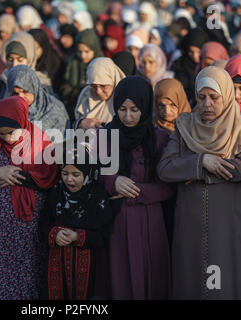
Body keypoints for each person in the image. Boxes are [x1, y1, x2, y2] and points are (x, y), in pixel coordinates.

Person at [157, 66, 241, 299]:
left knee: (231, 278)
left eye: (214, 98)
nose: (207, 104)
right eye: (201, 97)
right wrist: (201, 160)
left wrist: (200, 171)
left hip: (232, 221)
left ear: (226, 96)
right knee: (193, 280)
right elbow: (165, 168)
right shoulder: (185, 126)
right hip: (192, 225)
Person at [103, 75, 173, 299]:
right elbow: (94, 174)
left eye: (134, 109)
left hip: (150, 220)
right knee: (120, 278)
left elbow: (169, 186)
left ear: (145, 106)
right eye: (122, 109)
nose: (128, 116)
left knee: (150, 278)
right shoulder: (105, 136)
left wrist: (137, 191)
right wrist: (113, 181)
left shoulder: (160, 139)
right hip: (116, 221)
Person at [0, 96, 59, 300]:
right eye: (0, 133)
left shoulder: (41, 143)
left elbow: (49, 178)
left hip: (28, 229)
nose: (6, 138)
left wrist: (14, 174)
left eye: (10, 133)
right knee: (0, 274)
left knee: (28, 274)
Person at [39, 140, 113, 300]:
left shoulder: (97, 197)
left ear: (87, 174)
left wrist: (78, 237)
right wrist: (54, 234)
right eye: (65, 173)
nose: (69, 180)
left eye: (76, 174)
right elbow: (43, 224)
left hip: (89, 270)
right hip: (56, 267)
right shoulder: (56, 192)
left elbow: (104, 235)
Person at [0, 31, 52, 109]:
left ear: (30, 59)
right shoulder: (1, 82)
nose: (14, 65)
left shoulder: (41, 85)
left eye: (20, 60)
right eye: (10, 60)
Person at [7, 64, 69, 142]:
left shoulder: (55, 109)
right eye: (15, 93)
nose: (20, 97)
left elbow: (61, 144)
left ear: (34, 89)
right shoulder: (7, 110)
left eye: (25, 91)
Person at [60, 29, 103, 121]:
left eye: (87, 51)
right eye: (79, 51)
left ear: (94, 49)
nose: (83, 55)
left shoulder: (101, 64)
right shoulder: (72, 62)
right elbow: (64, 87)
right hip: (73, 107)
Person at [74, 57, 126, 129]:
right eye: (94, 86)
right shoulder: (86, 94)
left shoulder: (124, 99)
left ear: (113, 81)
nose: (98, 91)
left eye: (103, 86)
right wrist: (80, 123)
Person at [170, 28, 209, 104]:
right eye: (191, 52)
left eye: (198, 51)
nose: (195, 56)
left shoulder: (209, 65)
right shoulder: (179, 65)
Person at [29, 28, 64, 92]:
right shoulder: (24, 61)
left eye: (36, 48)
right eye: (30, 48)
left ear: (44, 47)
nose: (33, 52)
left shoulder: (54, 63)